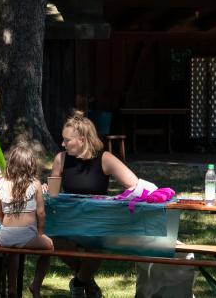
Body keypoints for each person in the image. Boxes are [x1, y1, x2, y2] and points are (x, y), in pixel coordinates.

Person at [50, 111, 155, 298]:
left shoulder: (104, 158)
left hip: (97, 222)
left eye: (67, 140)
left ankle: (79, 282)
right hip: (71, 220)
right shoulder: (61, 158)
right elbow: (53, 193)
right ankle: (87, 281)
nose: (62, 144)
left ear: (81, 139)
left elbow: (134, 184)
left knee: (96, 245)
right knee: (56, 241)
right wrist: (47, 188)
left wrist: (120, 202)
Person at [0, 146, 53, 298]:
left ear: (11, 163)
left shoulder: (1, 183)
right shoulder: (35, 184)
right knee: (50, 247)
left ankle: (12, 289)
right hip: (27, 235)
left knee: (14, 251)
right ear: (31, 165)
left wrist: (4, 225)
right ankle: (36, 285)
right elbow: (41, 213)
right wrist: (40, 233)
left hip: (5, 237)